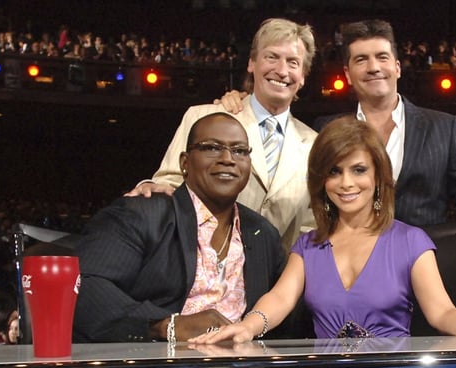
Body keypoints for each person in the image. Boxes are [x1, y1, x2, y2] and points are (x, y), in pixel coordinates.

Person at [189, 117, 456, 343]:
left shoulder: (411, 241)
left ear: (378, 177)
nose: (346, 183)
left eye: (358, 170)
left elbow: (442, 314)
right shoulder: (308, 245)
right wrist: (248, 327)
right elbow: (279, 300)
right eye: (334, 171)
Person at [218, 19, 456, 237]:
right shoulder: (326, 129)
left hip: (424, 268)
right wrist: (239, 102)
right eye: (361, 60)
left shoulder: (444, 127)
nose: (373, 67)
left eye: (381, 57)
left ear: (397, 66)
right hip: (349, 268)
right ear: (347, 73)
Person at [73, 113, 286, 342]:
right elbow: (85, 284)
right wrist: (165, 326)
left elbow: (287, 304)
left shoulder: (262, 233)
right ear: (185, 162)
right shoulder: (142, 214)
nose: (228, 158)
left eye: (239, 151)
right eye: (212, 147)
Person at [126, 18, 318, 250]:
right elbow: (168, 183)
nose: (281, 70)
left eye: (293, 62)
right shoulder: (202, 117)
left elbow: (311, 226)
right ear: (251, 63)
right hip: (197, 270)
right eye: (272, 57)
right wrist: (150, 188)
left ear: (304, 76)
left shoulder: (315, 144)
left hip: (276, 279)